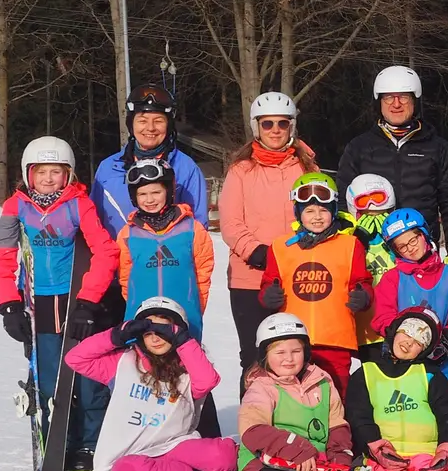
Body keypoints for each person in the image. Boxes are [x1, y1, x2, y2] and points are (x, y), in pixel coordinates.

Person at [0, 136, 119, 471]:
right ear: (28, 174)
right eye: (41, 171)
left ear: (69, 174)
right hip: (39, 304)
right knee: (49, 380)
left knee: (88, 377)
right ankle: (59, 439)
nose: (48, 179)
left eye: (57, 171)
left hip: (75, 300)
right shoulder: (15, 207)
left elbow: (106, 252)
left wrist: (89, 301)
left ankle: (90, 444)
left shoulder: (79, 204)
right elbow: (1, 255)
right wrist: (9, 305)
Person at [63, 296, 241, 471]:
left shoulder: (188, 370)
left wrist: (183, 341)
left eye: (163, 332)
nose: (155, 338)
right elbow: (75, 358)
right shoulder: (123, 363)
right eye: (148, 333)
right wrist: (116, 336)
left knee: (223, 455)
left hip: (174, 445)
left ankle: (257, 470)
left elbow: (208, 380)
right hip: (130, 454)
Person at [235, 313, 386, 471]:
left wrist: (339, 455)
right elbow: (253, 431)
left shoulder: (322, 382)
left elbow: (336, 423)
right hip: (266, 466)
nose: (289, 358)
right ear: (265, 356)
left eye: (296, 351)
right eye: (280, 352)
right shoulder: (262, 388)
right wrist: (297, 450)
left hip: (317, 464)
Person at [218, 91, 317, 379]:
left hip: (297, 273)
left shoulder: (307, 166)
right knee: (255, 357)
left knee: (296, 354)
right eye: (267, 124)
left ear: (292, 126)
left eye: (282, 124)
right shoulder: (241, 170)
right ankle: (254, 422)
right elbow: (231, 222)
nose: (275, 130)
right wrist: (256, 251)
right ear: (256, 127)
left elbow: (319, 213)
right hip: (251, 276)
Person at [259, 172, 371, 399]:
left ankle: (338, 435)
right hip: (292, 341)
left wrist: (364, 296)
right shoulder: (281, 247)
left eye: (324, 210)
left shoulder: (350, 245)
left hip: (335, 341)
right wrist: (267, 295)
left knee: (336, 398)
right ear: (298, 214)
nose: (317, 216)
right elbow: (268, 282)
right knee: (294, 398)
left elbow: (363, 281)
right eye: (309, 210)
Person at [346, 306, 448, 471]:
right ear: (394, 330)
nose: (408, 343)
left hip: (429, 456)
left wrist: (446, 450)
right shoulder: (365, 374)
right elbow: (358, 416)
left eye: (418, 342)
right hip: (386, 458)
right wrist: (376, 448)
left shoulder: (430, 374)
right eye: (407, 333)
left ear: (424, 350)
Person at [336, 65, 448, 242]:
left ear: (415, 101)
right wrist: (350, 243)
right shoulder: (358, 148)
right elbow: (343, 203)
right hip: (373, 247)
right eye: (389, 97)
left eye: (403, 97)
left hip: (419, 246)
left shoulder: (437, 148)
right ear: (379, 101)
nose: (396, 104)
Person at [90, 84, 208, 247]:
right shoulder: (108, 169)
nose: (150, 128)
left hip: (167, 265)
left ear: (169, 125)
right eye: (142, 121)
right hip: (117, 267)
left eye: (158, 121)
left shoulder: (186, 169)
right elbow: (93, 227)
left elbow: (198, 228)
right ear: (131, 124)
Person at [370, 207, 448, 385]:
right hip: (403, 362)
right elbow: (382, 316)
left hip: (442, 363)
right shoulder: (392, 279)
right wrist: (400, 336)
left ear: (424, 235)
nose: (410, 248)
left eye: (413, 239)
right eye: (402, 246)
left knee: (445, 408)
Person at [116, 158, 213, 338]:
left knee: (183, 364)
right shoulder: (128, 234)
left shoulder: (192, 229)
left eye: (156, 192)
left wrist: (196, 307)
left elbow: (203, 272)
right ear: (134, 197)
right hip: (141, 318)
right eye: (142, 194)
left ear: (168, 192)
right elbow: (125, 278)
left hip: (184, 318)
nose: (150, 199)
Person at [345, 173, 399, 360]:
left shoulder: (400, 238)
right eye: (367, 215)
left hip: (395, 326)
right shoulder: (348, 239)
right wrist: (358, 241)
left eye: (380, 214)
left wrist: (393, 243)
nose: (373, 214)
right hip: (364, 330)